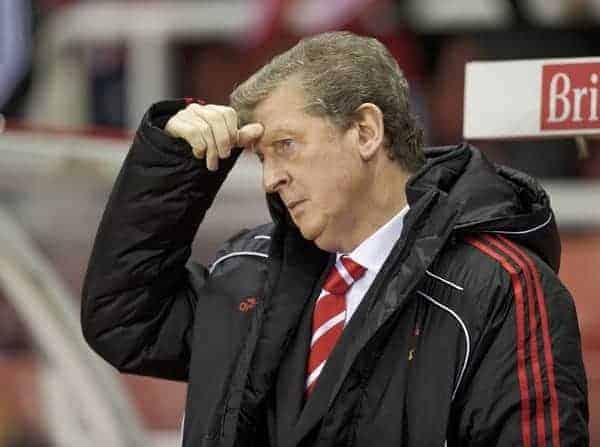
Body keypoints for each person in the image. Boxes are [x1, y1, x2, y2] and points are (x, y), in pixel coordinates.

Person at [81, 32, 589, 446]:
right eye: (263, 157)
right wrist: (174, 165)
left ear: (366, 131)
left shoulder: (501, 285)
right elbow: (125, 322)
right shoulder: (247, 268)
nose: (269, 179)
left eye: (286, 145)